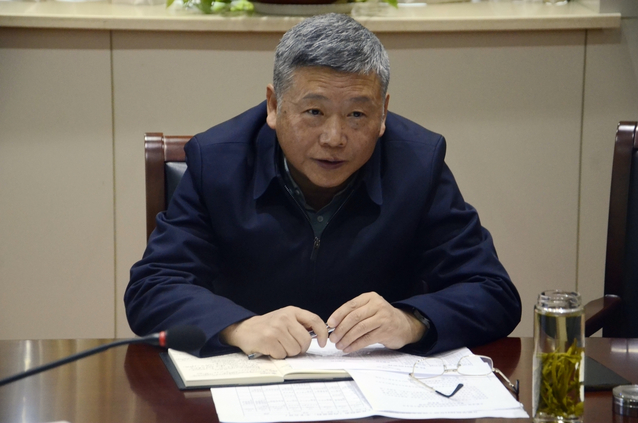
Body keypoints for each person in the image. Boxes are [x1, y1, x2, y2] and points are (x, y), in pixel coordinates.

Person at [125, 13, 521, 359]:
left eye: (357, 114)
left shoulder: (418, 164)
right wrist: (238, 327)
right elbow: (153, 287)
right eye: (314, 111)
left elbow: (492, 291)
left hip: (380, 386)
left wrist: (411, 321)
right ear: (274, 106)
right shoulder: (217, 162)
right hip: (252, 380)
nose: (334, 138)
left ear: (383, 113)